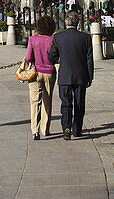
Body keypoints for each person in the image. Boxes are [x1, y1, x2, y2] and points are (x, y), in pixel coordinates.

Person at [47, 11, 94, 141]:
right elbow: (89, 59)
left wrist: (57, 61)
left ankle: (66, 128)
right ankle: (77, 129)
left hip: (65, 75)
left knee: (66, 103)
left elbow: (52, 56)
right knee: (79, 103)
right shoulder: (85, 38)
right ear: (78, 23)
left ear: (66, 23)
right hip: (80, 75)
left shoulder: (58, 37)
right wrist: (90, 77)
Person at [25, 14, 57, 140]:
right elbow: (57, 58)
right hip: (49, 72)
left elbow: (28, 58)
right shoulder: (53, 40)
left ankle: (35, 130)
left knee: (34, 101)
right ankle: (45, 129)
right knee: (47, 101)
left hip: (35, 73)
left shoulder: (32, 39)